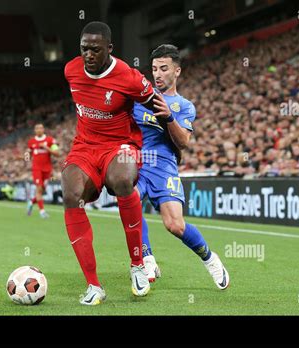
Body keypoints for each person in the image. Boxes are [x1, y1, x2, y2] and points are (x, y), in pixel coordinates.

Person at [62, 21, 171, 305]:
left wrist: (172, 133)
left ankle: (137, 265)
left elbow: (156, 103)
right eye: (84, 49)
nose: (88, 54)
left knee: (123, 179)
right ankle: (93, 285)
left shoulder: (128, 77)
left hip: (120, 145)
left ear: (110, 49)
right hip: (85, 147)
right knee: (70, 193)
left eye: (95, 49)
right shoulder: (71, 70)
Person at [133, 44, 229, 289]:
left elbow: (183, 142)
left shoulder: (184, 106)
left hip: (164, 165)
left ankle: (210, 259)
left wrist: (168, 117)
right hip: (136, 162)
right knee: (130, 201)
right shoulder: (139, 98)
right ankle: (146, 258)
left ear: (177, 72)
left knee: (175, 225)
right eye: (154, 69)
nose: (158, 74)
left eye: (164, 68)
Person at [26, 123, 59, 218]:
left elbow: (57, 153)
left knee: (42, 191)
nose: (39, 130)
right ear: (34, 130)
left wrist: (46, 147)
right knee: (39, 189)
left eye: (40, 128)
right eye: (37, 128)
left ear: (43, 129)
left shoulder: (50, 140)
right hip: (36, 169)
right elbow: (28, 154)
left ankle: (31, 202)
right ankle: (42, 212)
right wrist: (25, 155)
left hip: (47, 169)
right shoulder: (31, 142)